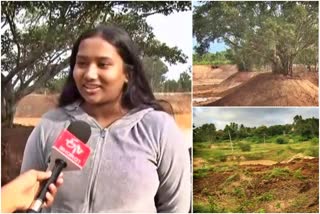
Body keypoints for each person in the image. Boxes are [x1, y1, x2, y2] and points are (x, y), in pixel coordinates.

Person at [21, 25, 190, 212]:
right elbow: (24, 196)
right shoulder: (50, 125)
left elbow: (176, 208)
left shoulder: (159, 129)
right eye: (82, 63)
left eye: (103, 64)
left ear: (128, 74)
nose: (89, 75)